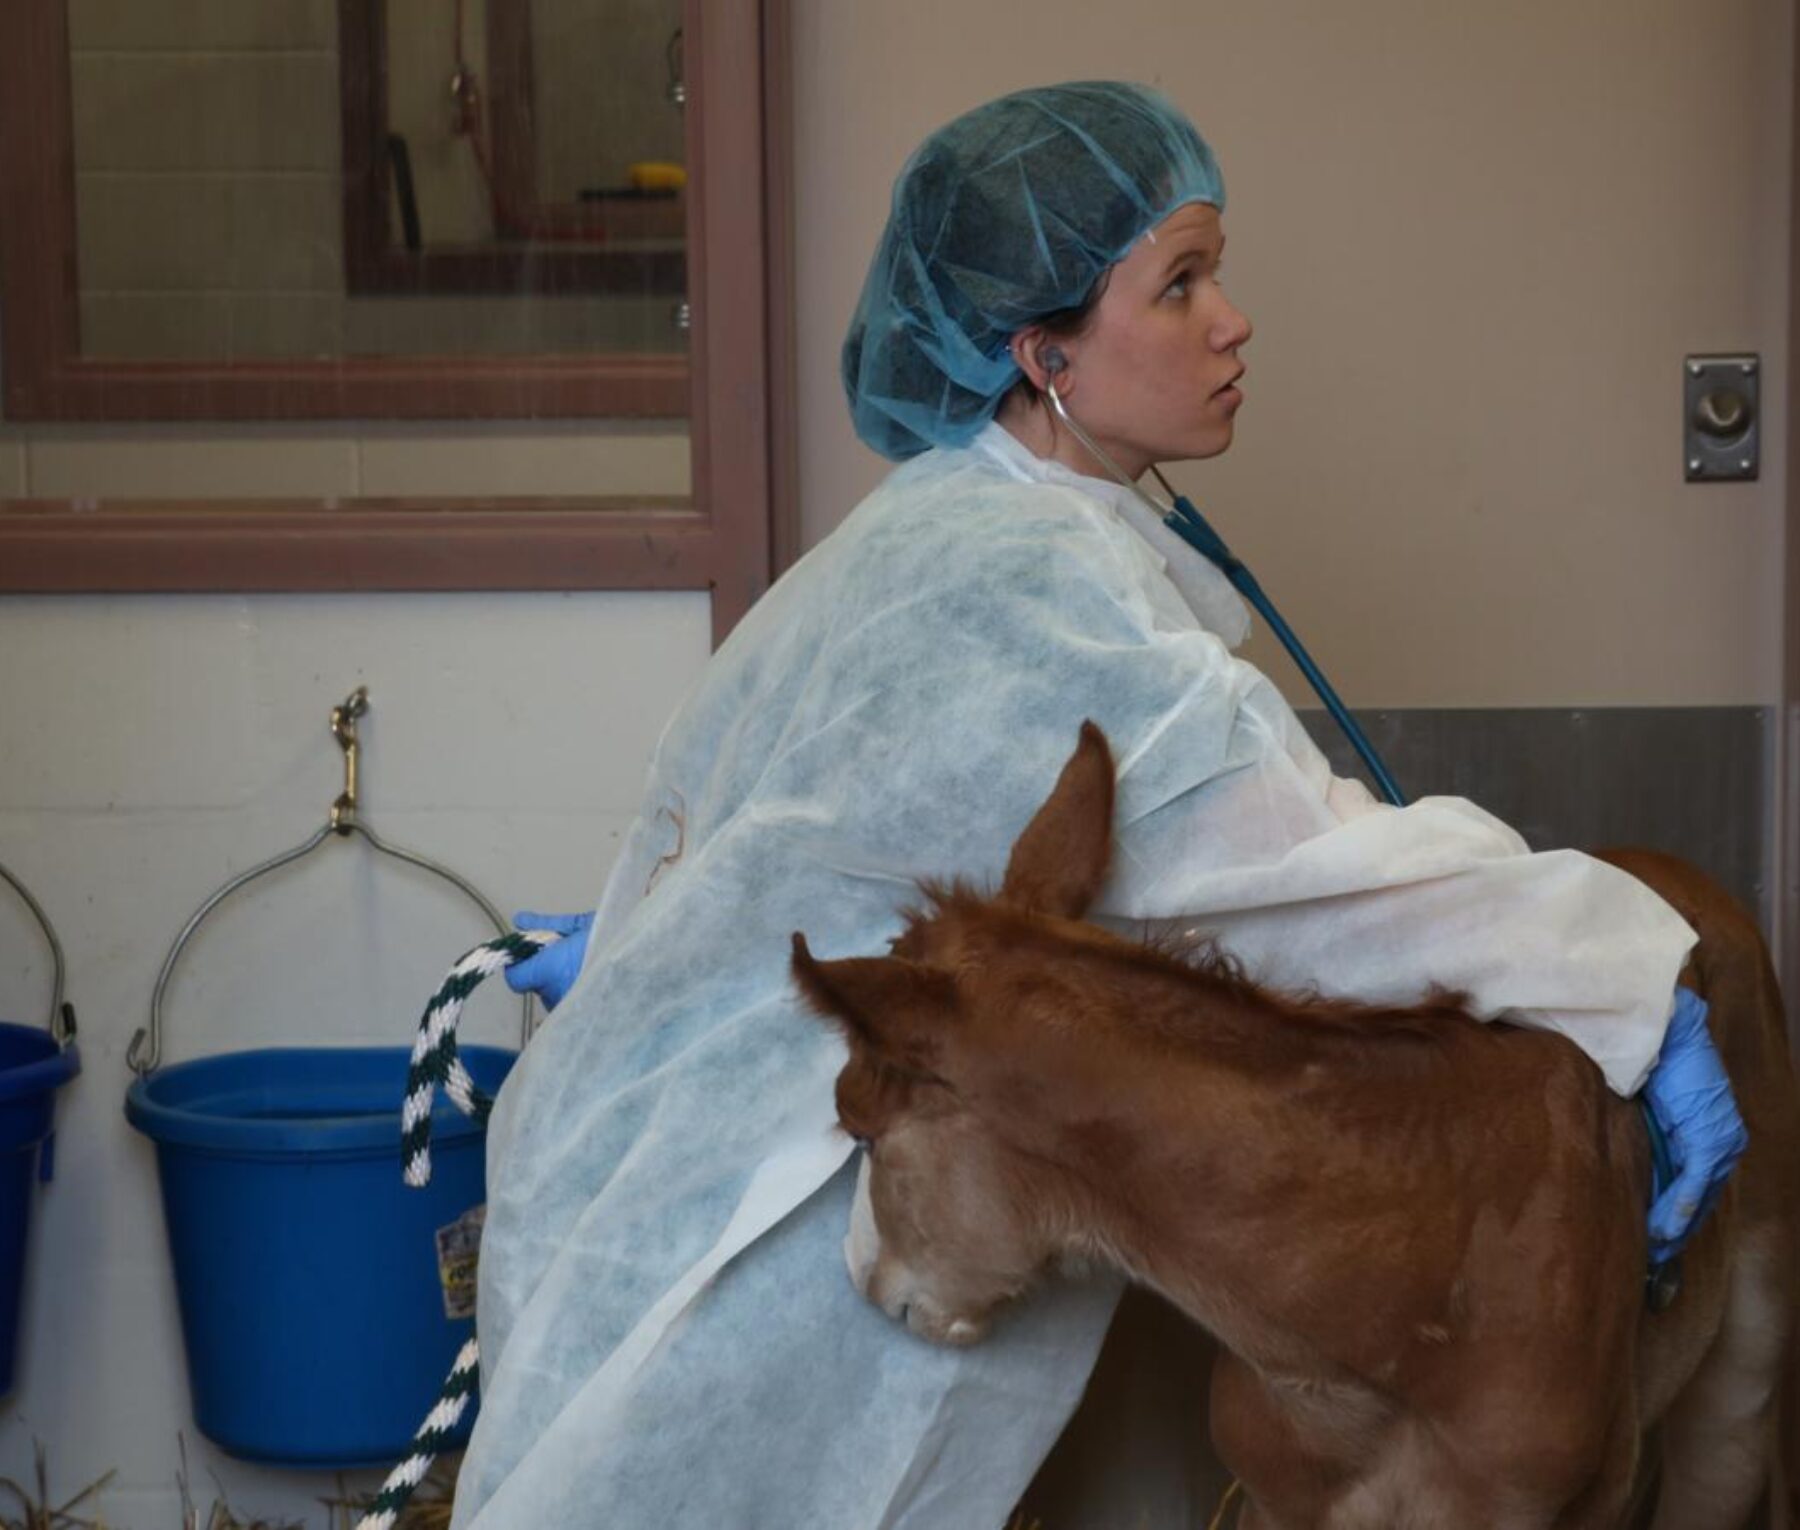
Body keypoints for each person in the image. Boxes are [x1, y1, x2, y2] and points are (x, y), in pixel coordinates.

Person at [458, 82, 1745, 1529]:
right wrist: (1624, 969)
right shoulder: (1029, 585)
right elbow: (1303, 875)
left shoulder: (950, 523)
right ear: (1041, 351)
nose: (1232, 319)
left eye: (1217, 274)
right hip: (755, 1215)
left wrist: (650, 954)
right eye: (1179, 283)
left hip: (645, 1144)